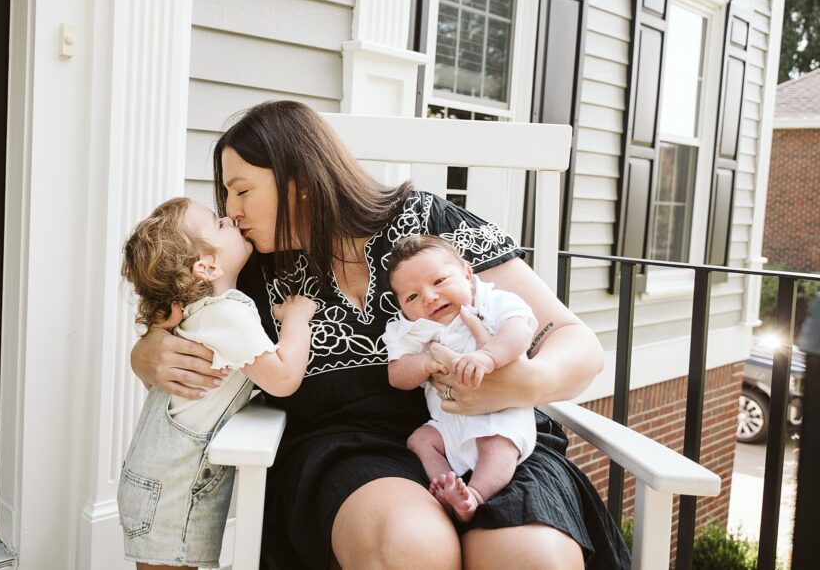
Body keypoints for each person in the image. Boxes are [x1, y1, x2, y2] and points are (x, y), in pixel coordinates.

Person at [131, 101, 631, 570]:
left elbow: (573, 341)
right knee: (410, 545)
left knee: (531, 558)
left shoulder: (426, 223)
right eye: (226, 197)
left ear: (298, 181)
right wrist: (147, 351)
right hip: (348, 451)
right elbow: (178, 313)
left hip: (490, 434)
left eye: (241, 190)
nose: (232, 211)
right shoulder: (256, 269)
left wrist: (526, 384)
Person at [117, 196, 316, 570]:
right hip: (172, 490)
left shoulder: (202, 313)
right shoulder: (226, 313)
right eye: (218, 223)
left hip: (157, 483)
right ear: (206, 266)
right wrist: (297, 318)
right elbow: (284, 378)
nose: (229, 217)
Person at [383, 234, 537, 523]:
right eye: (412, 297)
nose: (429, 297)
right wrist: (426, 363)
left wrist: (488, 356)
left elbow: (519, 331)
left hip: (498, 414)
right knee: (420, 440)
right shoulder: (410, 329)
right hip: (448, 424)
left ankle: (474, 496)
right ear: (402, 306)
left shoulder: (490, 301)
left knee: (497, 445)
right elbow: (397, 375)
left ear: (467, 274)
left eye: (439, 281)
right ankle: (445, 484)